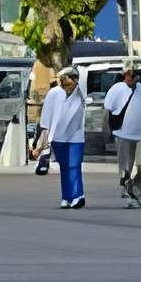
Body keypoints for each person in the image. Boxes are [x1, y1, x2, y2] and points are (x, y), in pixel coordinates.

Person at [102, 66, 141, 206]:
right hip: (123, 133)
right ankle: (128, 192)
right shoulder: (117, 89)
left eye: (135, 77)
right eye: (130, 76)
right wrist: (107, 131)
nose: (132, 79)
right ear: (125, 76)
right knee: (126, 165)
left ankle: (136, 189)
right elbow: (108, 110)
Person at [38, 70, 89, 210]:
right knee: (65, 167)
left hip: (76, 136)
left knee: (74, 165)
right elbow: (46, 116)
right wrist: (44, 137)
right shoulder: (54, 93)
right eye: (68, 79)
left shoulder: (80, 92)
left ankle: (78, 195)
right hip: (58, 135)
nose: (72, 83)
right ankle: (66, 197)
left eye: (74, 79)